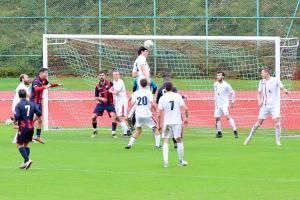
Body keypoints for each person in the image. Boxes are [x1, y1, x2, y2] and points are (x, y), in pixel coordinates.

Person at [244, 67, 289, 146]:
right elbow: (258, 93)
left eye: (262, 73)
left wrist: (285, 90)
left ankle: (278, 141)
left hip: (274, 105)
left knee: (277, 122)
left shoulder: (275, 80)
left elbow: (281, 87)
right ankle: (249, 137)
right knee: (258, 123)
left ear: (266, 73)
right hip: (264, 106)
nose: (261, 74)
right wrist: (259, 101)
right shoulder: (261, 82)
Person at [157, 82, 189, 168]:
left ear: (165, 88)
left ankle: (166, 163)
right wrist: (186, 118)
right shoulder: (177, 96)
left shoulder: (162, 98)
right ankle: (181, 161)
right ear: (172, 88)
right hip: (177, 122)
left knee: (166, 141)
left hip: (167, 122)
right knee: (179, 139)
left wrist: (158, 125)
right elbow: (186, 108)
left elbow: (159, 114)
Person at [125, 78, 160, 149]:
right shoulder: (149, 92)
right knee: (156, 128)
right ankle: (157, 145)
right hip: (147, 114)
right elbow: (152, 103)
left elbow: (132, 103)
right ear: (147, 84)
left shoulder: (136, 93)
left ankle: (129, 144)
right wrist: (156, 110)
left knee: (138, 130)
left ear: (139, 84)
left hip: (138, 114)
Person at [30, 68, 62, 143]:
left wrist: (57, 85)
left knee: (40, 120)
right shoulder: (36, 81)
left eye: (47, 73)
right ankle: (27, 126)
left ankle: (38, 136)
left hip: (39, 102)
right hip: (33, 102)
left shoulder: (44, 80)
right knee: (37, 117)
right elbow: (36, 89)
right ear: (41, 73)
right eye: (46, 73)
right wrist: (44, 87)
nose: (47, 74)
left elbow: (49, 85)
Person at [15, 89, 42, 169]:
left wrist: (13, 120)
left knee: (19, 144)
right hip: (31, 127)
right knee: (26, 144)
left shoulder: (19, 105)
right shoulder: (32, 104)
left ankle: (28, 160)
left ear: (19, 95)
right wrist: (33, 120)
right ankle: (25, 162)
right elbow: (39, 113)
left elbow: (17, 117)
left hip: (23, 128)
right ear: (26, 95)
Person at [156, 73, 184, 148]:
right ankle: (176, 142)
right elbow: (176, 97)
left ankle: (169, 143)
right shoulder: (173, 88)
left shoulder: (160, 89)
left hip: (166, 110)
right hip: (175, 110)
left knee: (168, 127)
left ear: (163, 81)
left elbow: (157, 101)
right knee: (177, 126)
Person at [92, 71, 118, 138]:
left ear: (105, 76)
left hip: (110, 104)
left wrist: (113, 90)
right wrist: (101, 99)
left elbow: (116, 89)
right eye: (100, 75)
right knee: (93, 117)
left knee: (113, 116)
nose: (101, 76)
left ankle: (113, 133)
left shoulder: (110, 83)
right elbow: (95, 97)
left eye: (102, 75)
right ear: (98, 76)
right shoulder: (97, 86)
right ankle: (94, 131)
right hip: (101, 104)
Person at [214, 71, 238, 138]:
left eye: (219, 75)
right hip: (217, 104)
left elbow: (233, 93)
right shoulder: (215, 84)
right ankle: (219, 133)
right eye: (217, 75)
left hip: (224, 104)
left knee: (228, 117)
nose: (217, 77)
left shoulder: (226, 85)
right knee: (217, 118)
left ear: (223, 77)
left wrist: (232, 102)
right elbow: (216, 94)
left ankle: (235, 131)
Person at [109, 70, 131, 136]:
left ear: (119, 75)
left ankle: (127, 131)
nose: (115, 76)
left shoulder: (120, 82)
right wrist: (109, 89)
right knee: (118, 118)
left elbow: (116, 92)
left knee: (120, 117)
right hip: (118, 102)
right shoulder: (114, 82)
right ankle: (127, 131)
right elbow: (112, 87)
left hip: (122, 102)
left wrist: (110, 91)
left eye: (116, 74)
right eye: (114, 74)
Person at [11, 74, 31, 143]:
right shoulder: (22, 87)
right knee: (25, 124)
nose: (28, 78)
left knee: (24, 123)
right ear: (22, 79)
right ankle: (18, 139)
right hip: (19, 107)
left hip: (20, 107)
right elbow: (28, 95)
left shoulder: (21, 86)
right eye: (27, 77)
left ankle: (22, 138)